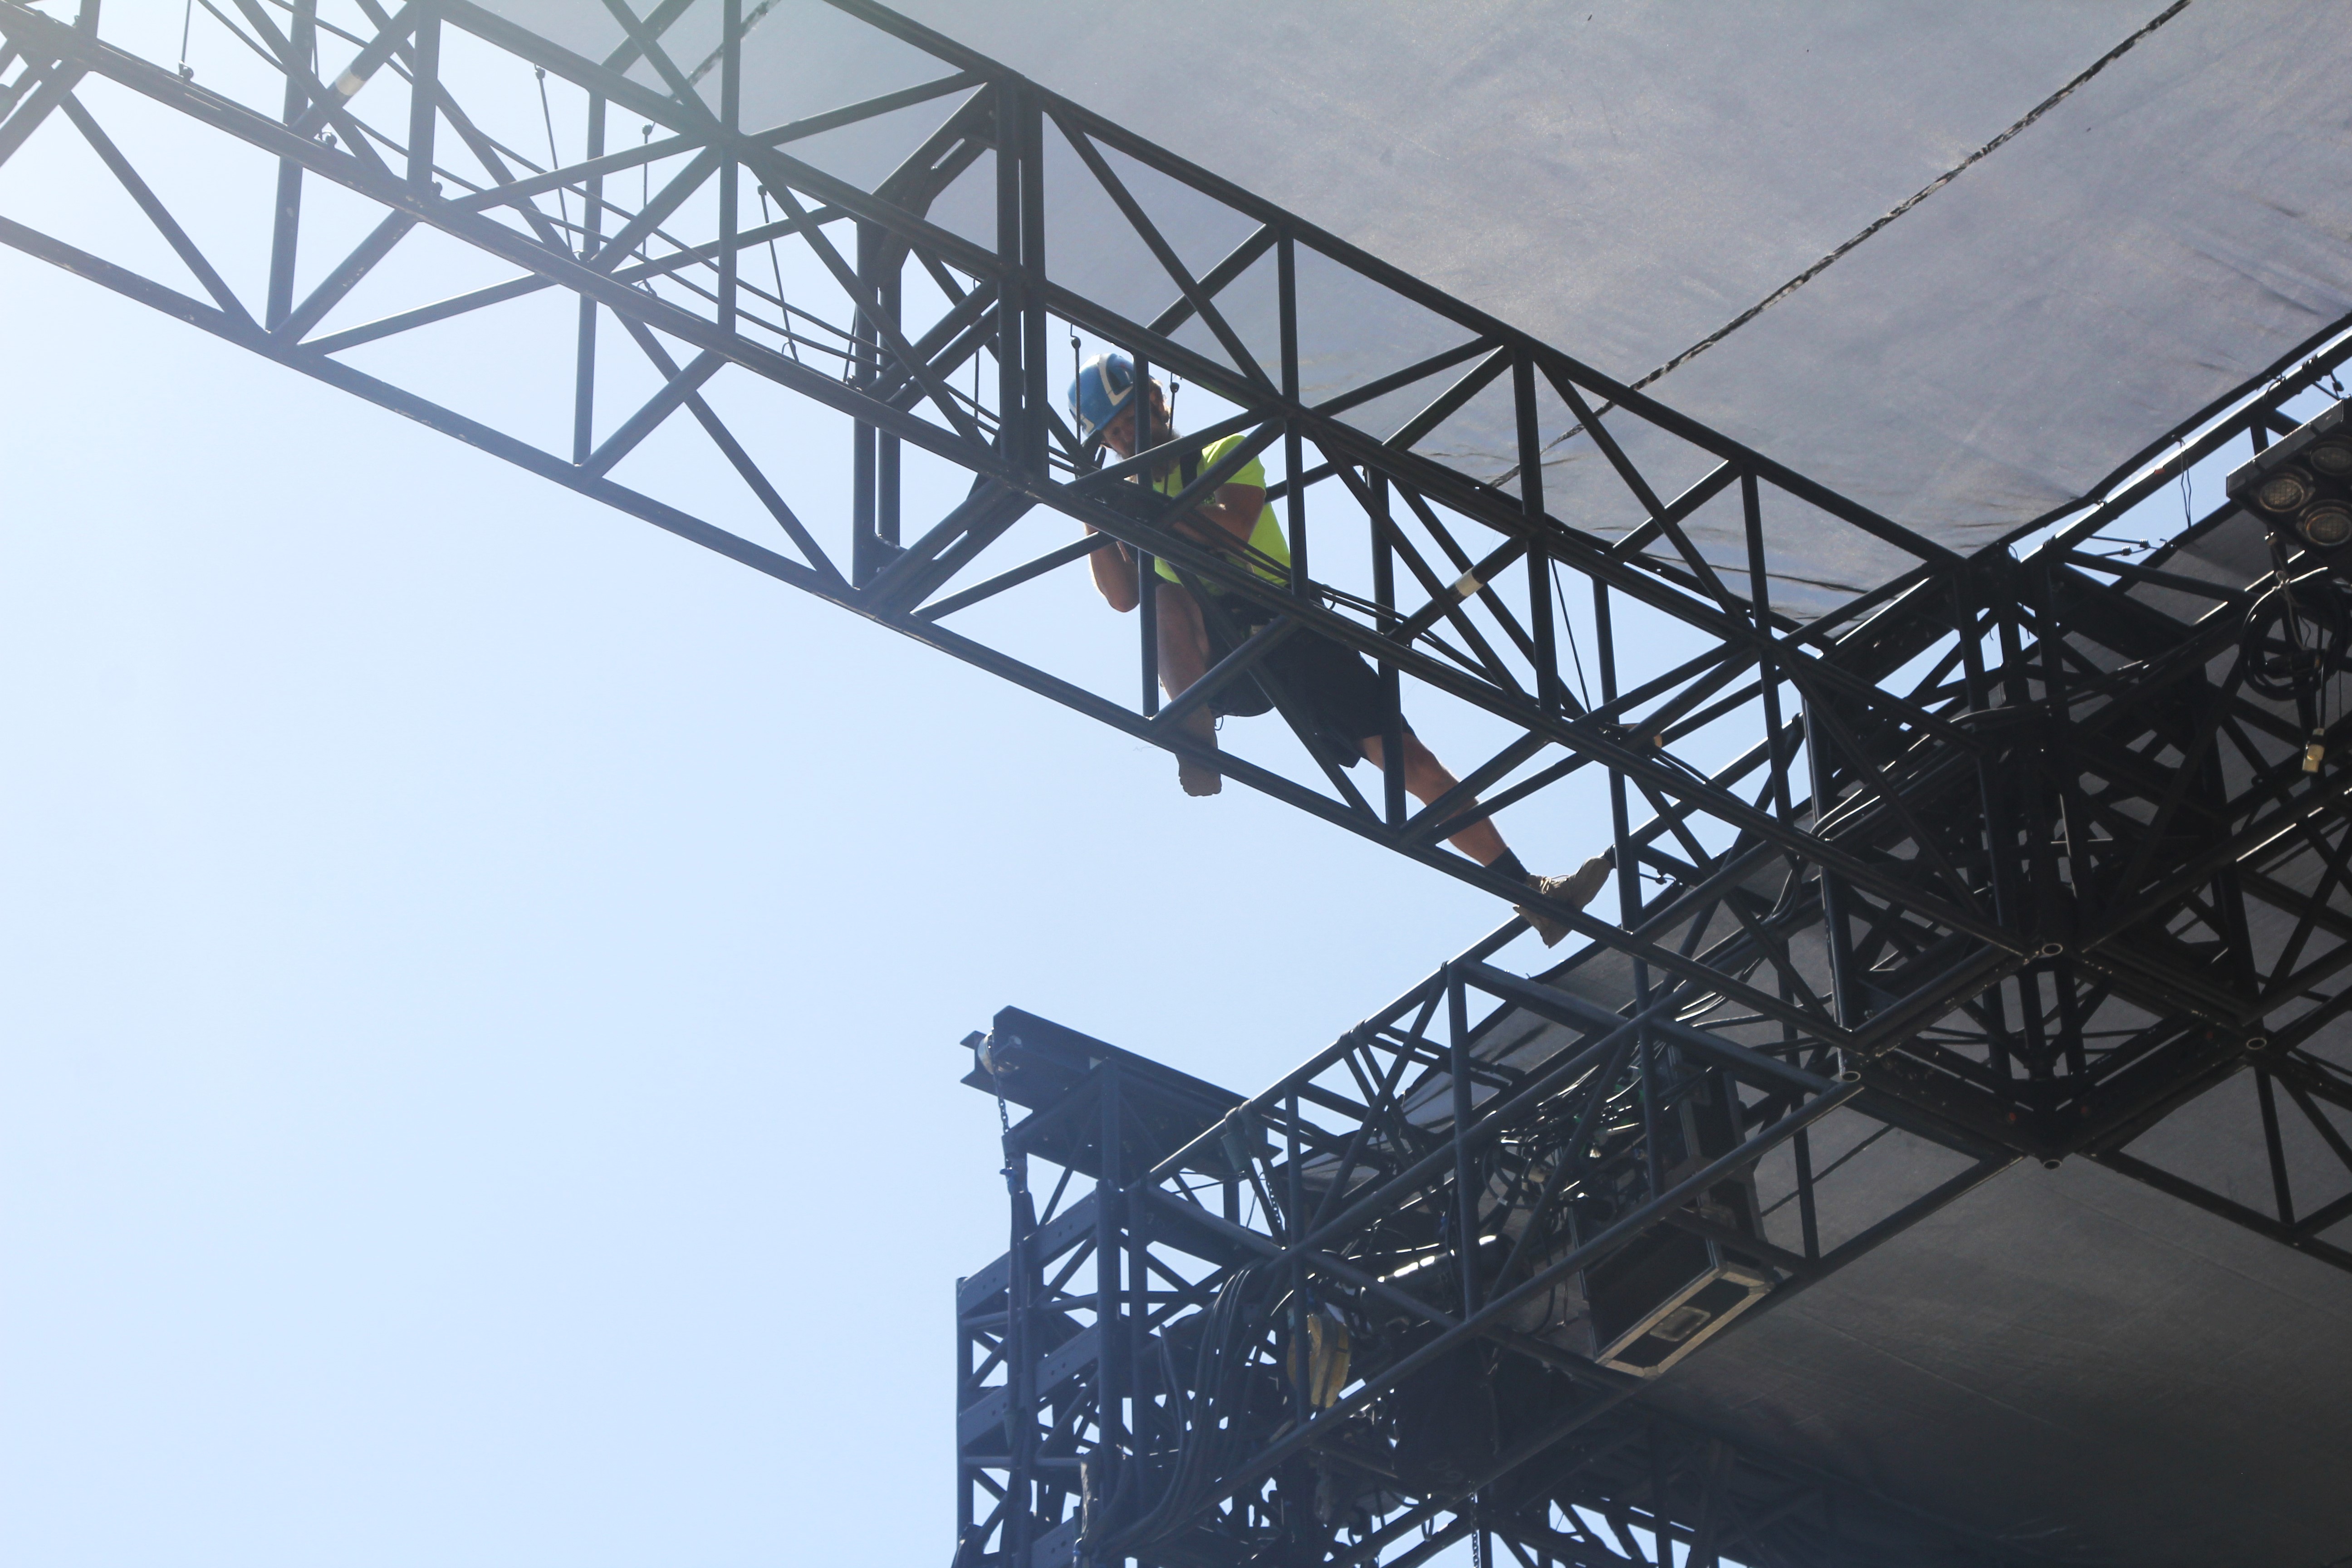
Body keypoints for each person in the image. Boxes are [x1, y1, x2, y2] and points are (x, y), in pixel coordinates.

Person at [1068, 353, 1610, 944]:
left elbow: (1235, 528)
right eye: (1113, 434)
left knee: (1411, 762)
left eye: (1129, 420)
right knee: (1165, 599)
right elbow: (1123, 597)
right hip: (1215, 654)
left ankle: (1531, 895)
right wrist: (1093, 516)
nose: (1125, 439)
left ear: (1156, 400)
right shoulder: (1126, 508)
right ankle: (1194, 739)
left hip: (1288, 628)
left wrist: (1152, 513)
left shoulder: (1222, 451)